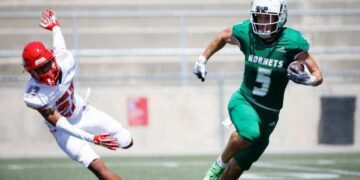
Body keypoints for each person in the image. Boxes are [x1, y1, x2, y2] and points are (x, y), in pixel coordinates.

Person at [193, 0, 323, 179]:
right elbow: (224, 35)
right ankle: (217, 166)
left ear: (281, 17)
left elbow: (318, 74)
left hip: (269, 114)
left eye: (268, 17)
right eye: (259, 17)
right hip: (244, 101)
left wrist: (310, 79)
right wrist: (202, 58)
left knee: (240, 165)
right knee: (249, 133)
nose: (263, 23)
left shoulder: (292, 41)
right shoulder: (247, 33)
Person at [22, 9, 133, 180]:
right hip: (63, 131)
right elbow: (61, 123)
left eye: (46, 65)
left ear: (52, 59)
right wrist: (92, 138)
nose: (45, 72)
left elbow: (60, 47)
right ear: (31, 72)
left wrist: (56, 28)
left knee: (126, 140)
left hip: (83, 112)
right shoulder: (34, 95)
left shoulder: (65, 61)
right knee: (100, 170)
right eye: (39, 69)